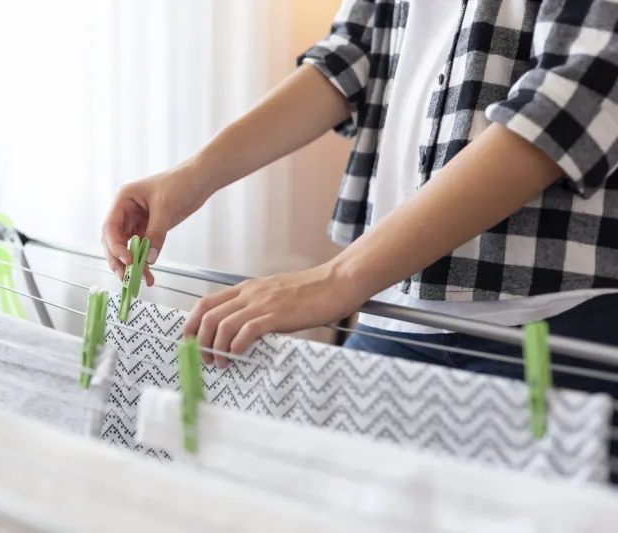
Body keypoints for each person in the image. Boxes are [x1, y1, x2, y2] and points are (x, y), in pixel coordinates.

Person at [101, 0, 618, 389]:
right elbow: (353, 54)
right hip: (394, 314)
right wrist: (192, 177)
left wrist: (339, 277)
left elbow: (574, 98)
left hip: (553, 323)